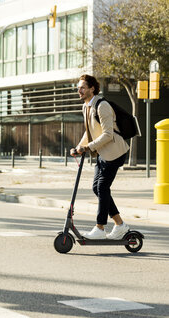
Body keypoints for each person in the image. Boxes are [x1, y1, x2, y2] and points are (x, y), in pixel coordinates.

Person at [70, 74, 130, 240]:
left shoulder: (102, 105)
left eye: (82, 87)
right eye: (78, 88)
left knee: (102, 188)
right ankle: (120, 225)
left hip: (115, 152)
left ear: (92, 88)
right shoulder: (86, 107)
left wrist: (87, 147)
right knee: (97, 188)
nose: (79, 90)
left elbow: (108, 135)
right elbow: (89, 132)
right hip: (103, 153)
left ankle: (100, 228)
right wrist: (78, 147)